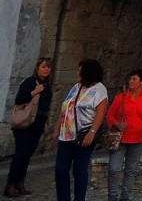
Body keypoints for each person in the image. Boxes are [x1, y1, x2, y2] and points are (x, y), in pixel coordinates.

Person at [53, 59, 108, 201]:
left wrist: (92, 132)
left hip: (83, 135)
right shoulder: (76, 87)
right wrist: (57, 128)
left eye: (80, 70)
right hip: (66, 135)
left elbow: (101, 113)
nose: (78, 72)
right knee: (61, 169)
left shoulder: (99, 90)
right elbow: (65, 108)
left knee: (79, 169)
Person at [105, 69, 142, 201]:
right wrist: (116, 124)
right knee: (114, 169)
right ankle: (112, 197)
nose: (131, 81)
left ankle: (125, 197)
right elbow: (109, 115)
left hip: (138, 139)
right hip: (120, 138)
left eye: (134, 79)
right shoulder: (120, 98)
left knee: (131, 170)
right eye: (130, 79)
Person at [4, 57, 53, 197]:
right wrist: (34, 92)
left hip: (37, 124)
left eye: (48, 67)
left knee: (27, 154)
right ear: (37, 68)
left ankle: (20, 182)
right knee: (21, 153)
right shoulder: (30, 82)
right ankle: (10, 184)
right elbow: (19, 99)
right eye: (44, 67)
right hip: (25, 123)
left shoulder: (46, 85)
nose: (46, 69)